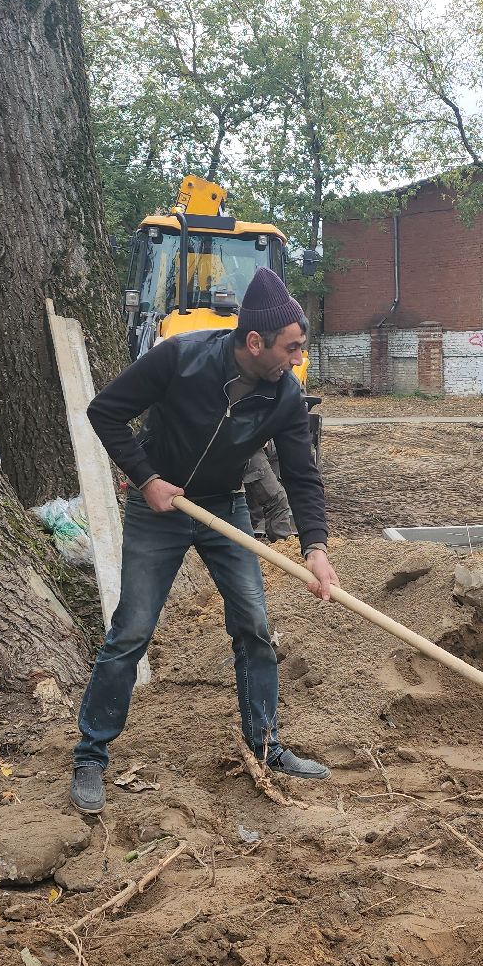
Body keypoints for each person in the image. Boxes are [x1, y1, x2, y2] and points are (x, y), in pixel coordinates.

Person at [73, 268, 339, 814]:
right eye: (290, 349)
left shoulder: (285, 394)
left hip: (225, 506)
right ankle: (91, 755)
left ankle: (264, 746)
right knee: (131, 631)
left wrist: (316, 547)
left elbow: (301, 474)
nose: (295, 360)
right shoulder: (181, 357)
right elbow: (106, 412)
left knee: (255, 626)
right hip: (160, 508)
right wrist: (146, 479)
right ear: (254, 341)